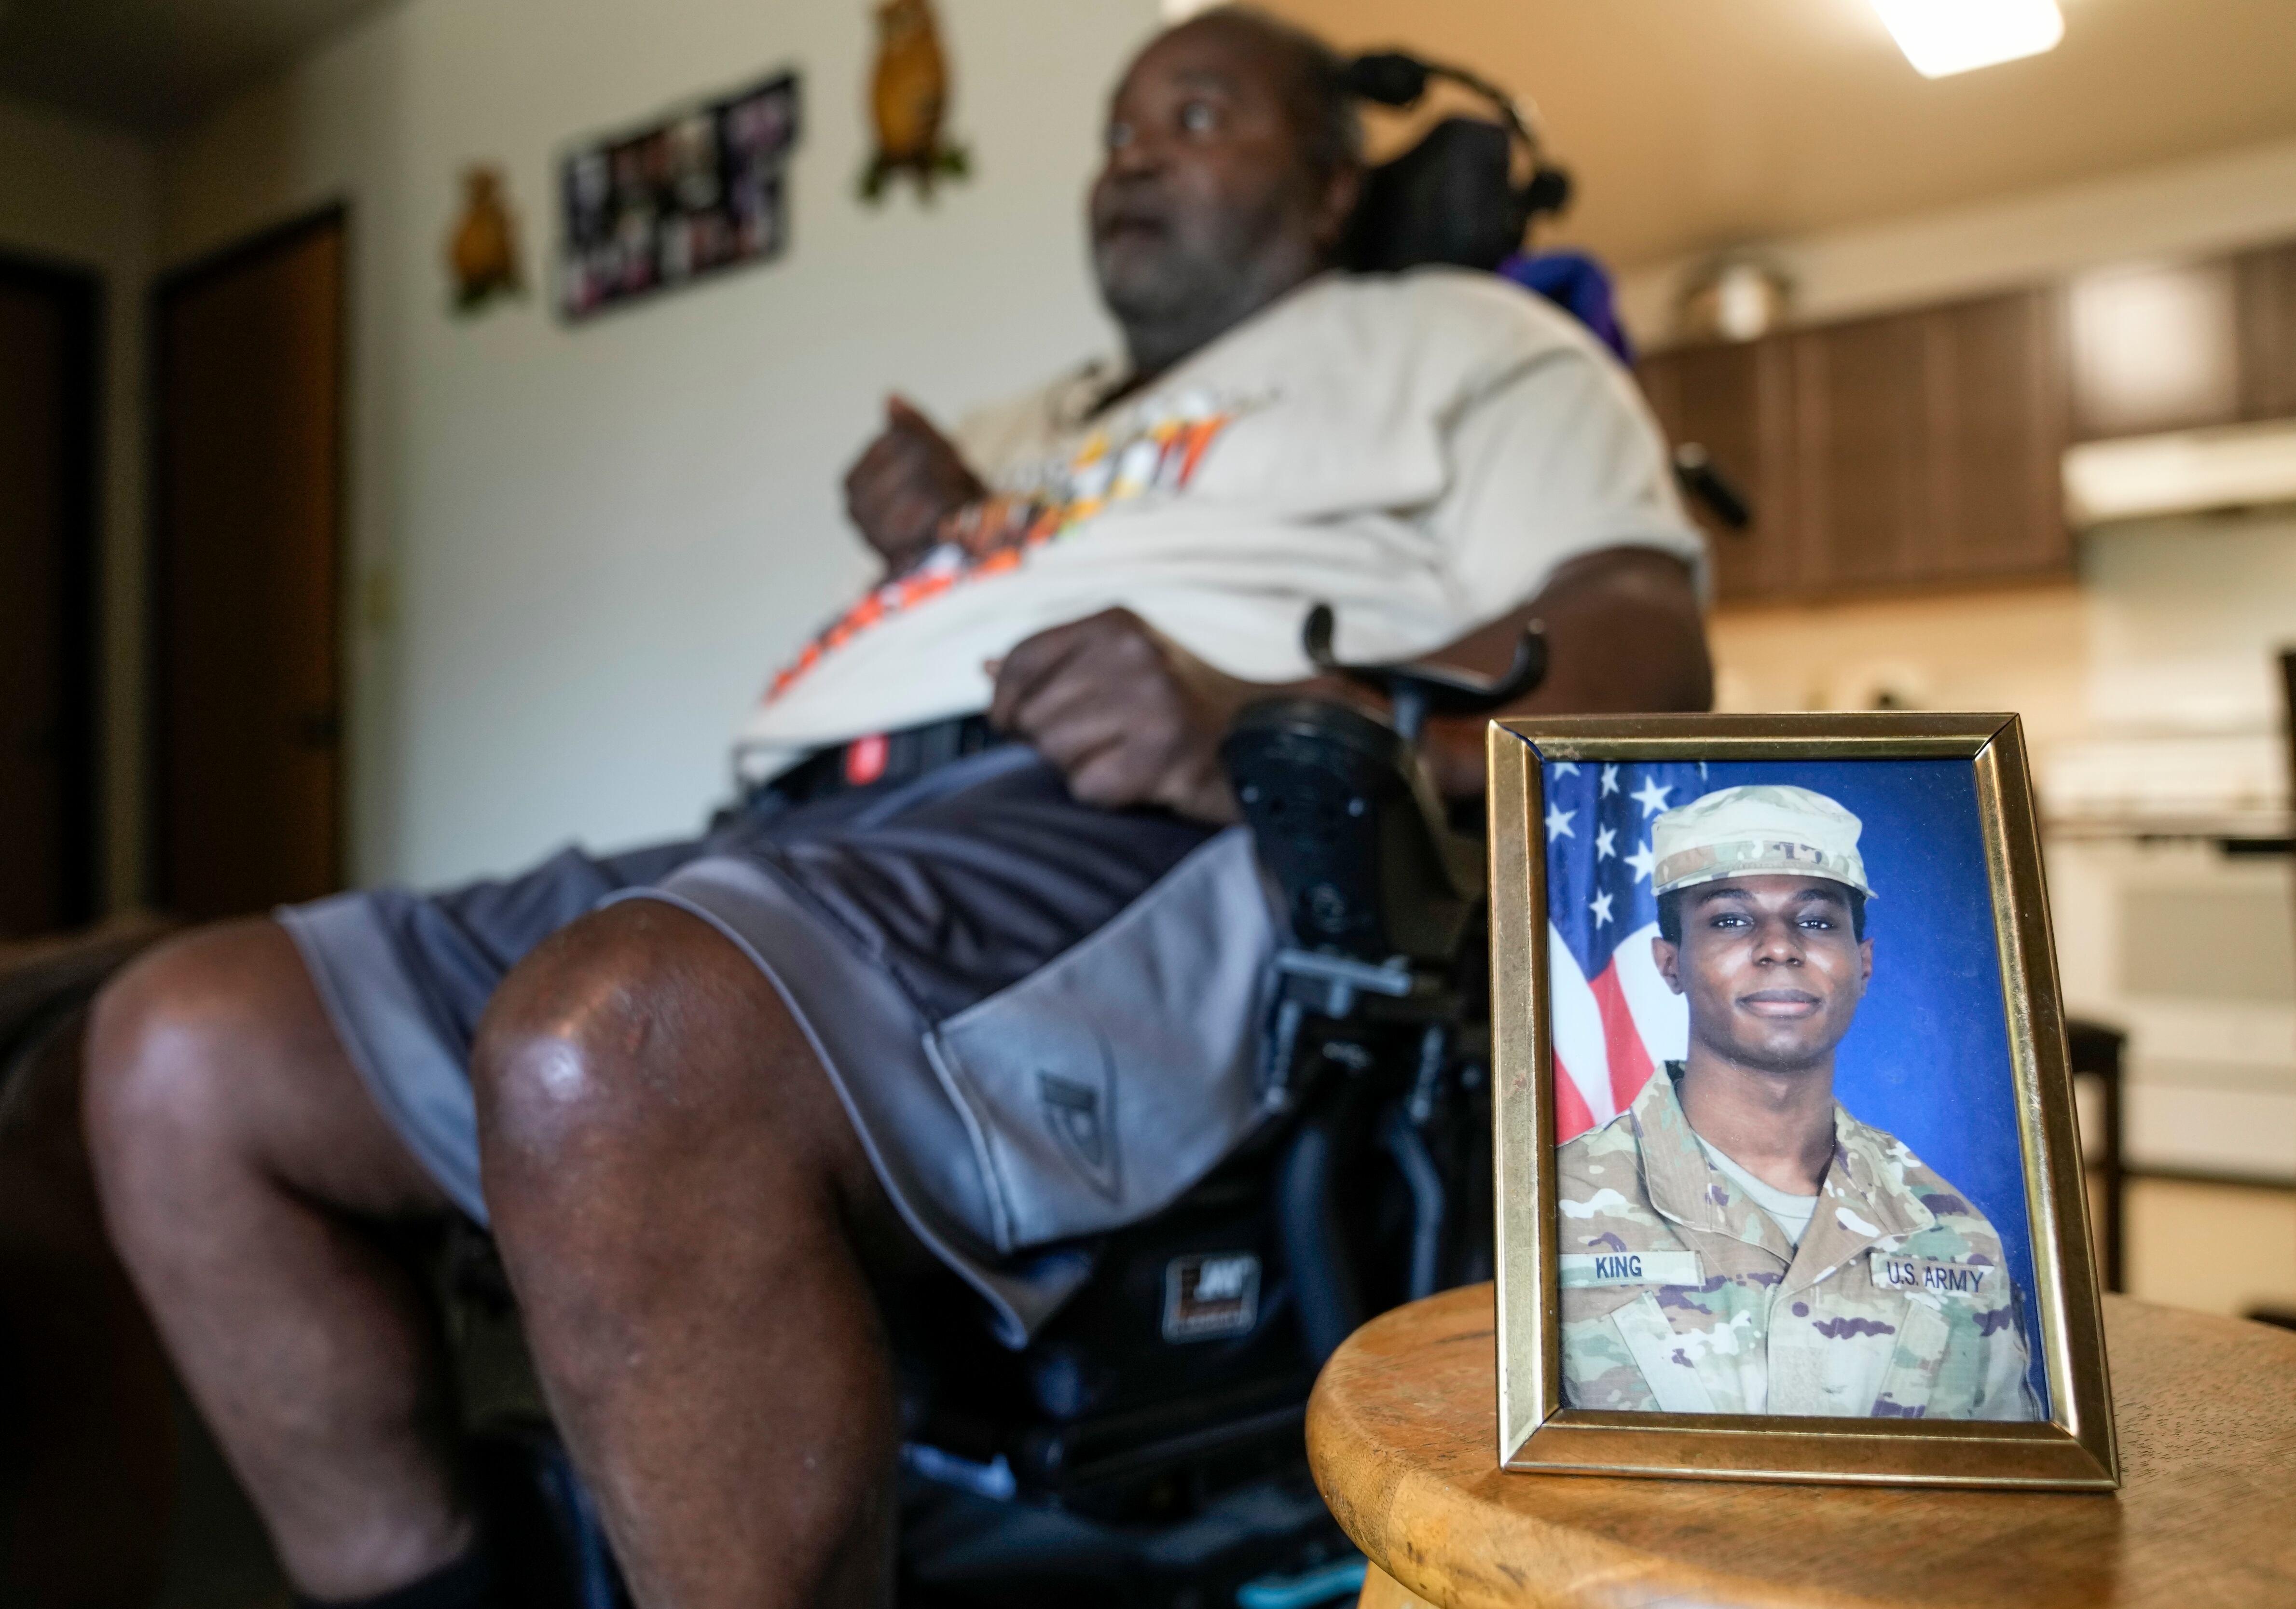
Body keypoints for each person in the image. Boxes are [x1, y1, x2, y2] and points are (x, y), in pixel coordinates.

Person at [83, 9, 1711, 1608]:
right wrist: (969, 530)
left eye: (1196, 117)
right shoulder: (1026, 428)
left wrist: (1263, 716)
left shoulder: (1471, 341)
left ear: (1334, 184)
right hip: (802, 828)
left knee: (623, 1043)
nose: (1131, 155)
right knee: (182, 1053)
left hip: (1130, 814)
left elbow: (1646, 662)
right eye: (1116, 132)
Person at [1556, 784, 2039, 1421]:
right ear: (1669, 963)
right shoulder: (1553, 1210)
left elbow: (2006, 1502)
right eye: (1731, 919)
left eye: (1815, 920)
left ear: (1863, 964)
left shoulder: (1955, 1235)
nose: (1779, 945)